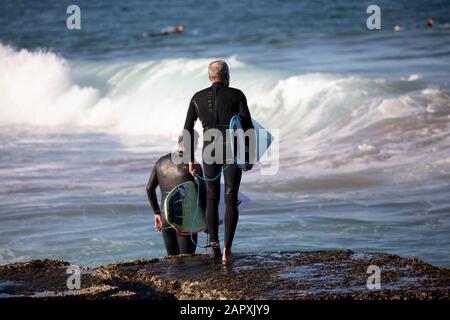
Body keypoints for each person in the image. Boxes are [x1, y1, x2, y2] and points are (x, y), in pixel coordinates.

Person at [183, 60, 254, 262]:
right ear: (227, 76)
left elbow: (188, 129)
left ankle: (213, 246)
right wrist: (248, 156)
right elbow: (248, 127)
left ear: (209, 77)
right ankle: (227, 250)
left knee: (212, 198)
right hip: (232, 150)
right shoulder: (237, 94)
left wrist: (189, 159)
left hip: (208, 151)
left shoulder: (197, 97)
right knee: (231, 199)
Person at [146, 133, 205, 256]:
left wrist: (157, 213)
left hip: (165, 216)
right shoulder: (193, 166)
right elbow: (203, 195)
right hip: (186, 220)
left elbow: (149, 189)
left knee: (172, 261)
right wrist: (207, 221)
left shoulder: (160, 162)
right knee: (188, 260)